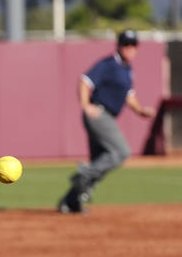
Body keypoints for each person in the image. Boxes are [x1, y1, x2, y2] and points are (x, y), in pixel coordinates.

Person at [58, 29, 155, 214]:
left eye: (133, 45)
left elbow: (129, 95)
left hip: (106, 116)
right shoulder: (109, 64)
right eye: (126, 44)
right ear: (118, 45)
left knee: (100, 161)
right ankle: (83, 174)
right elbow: (85, 81)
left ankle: (70, 202)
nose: (130, 48)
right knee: (121, 152)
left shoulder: (127, 69)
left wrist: (141, 110)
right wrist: (86, 105)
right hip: (99, 114)